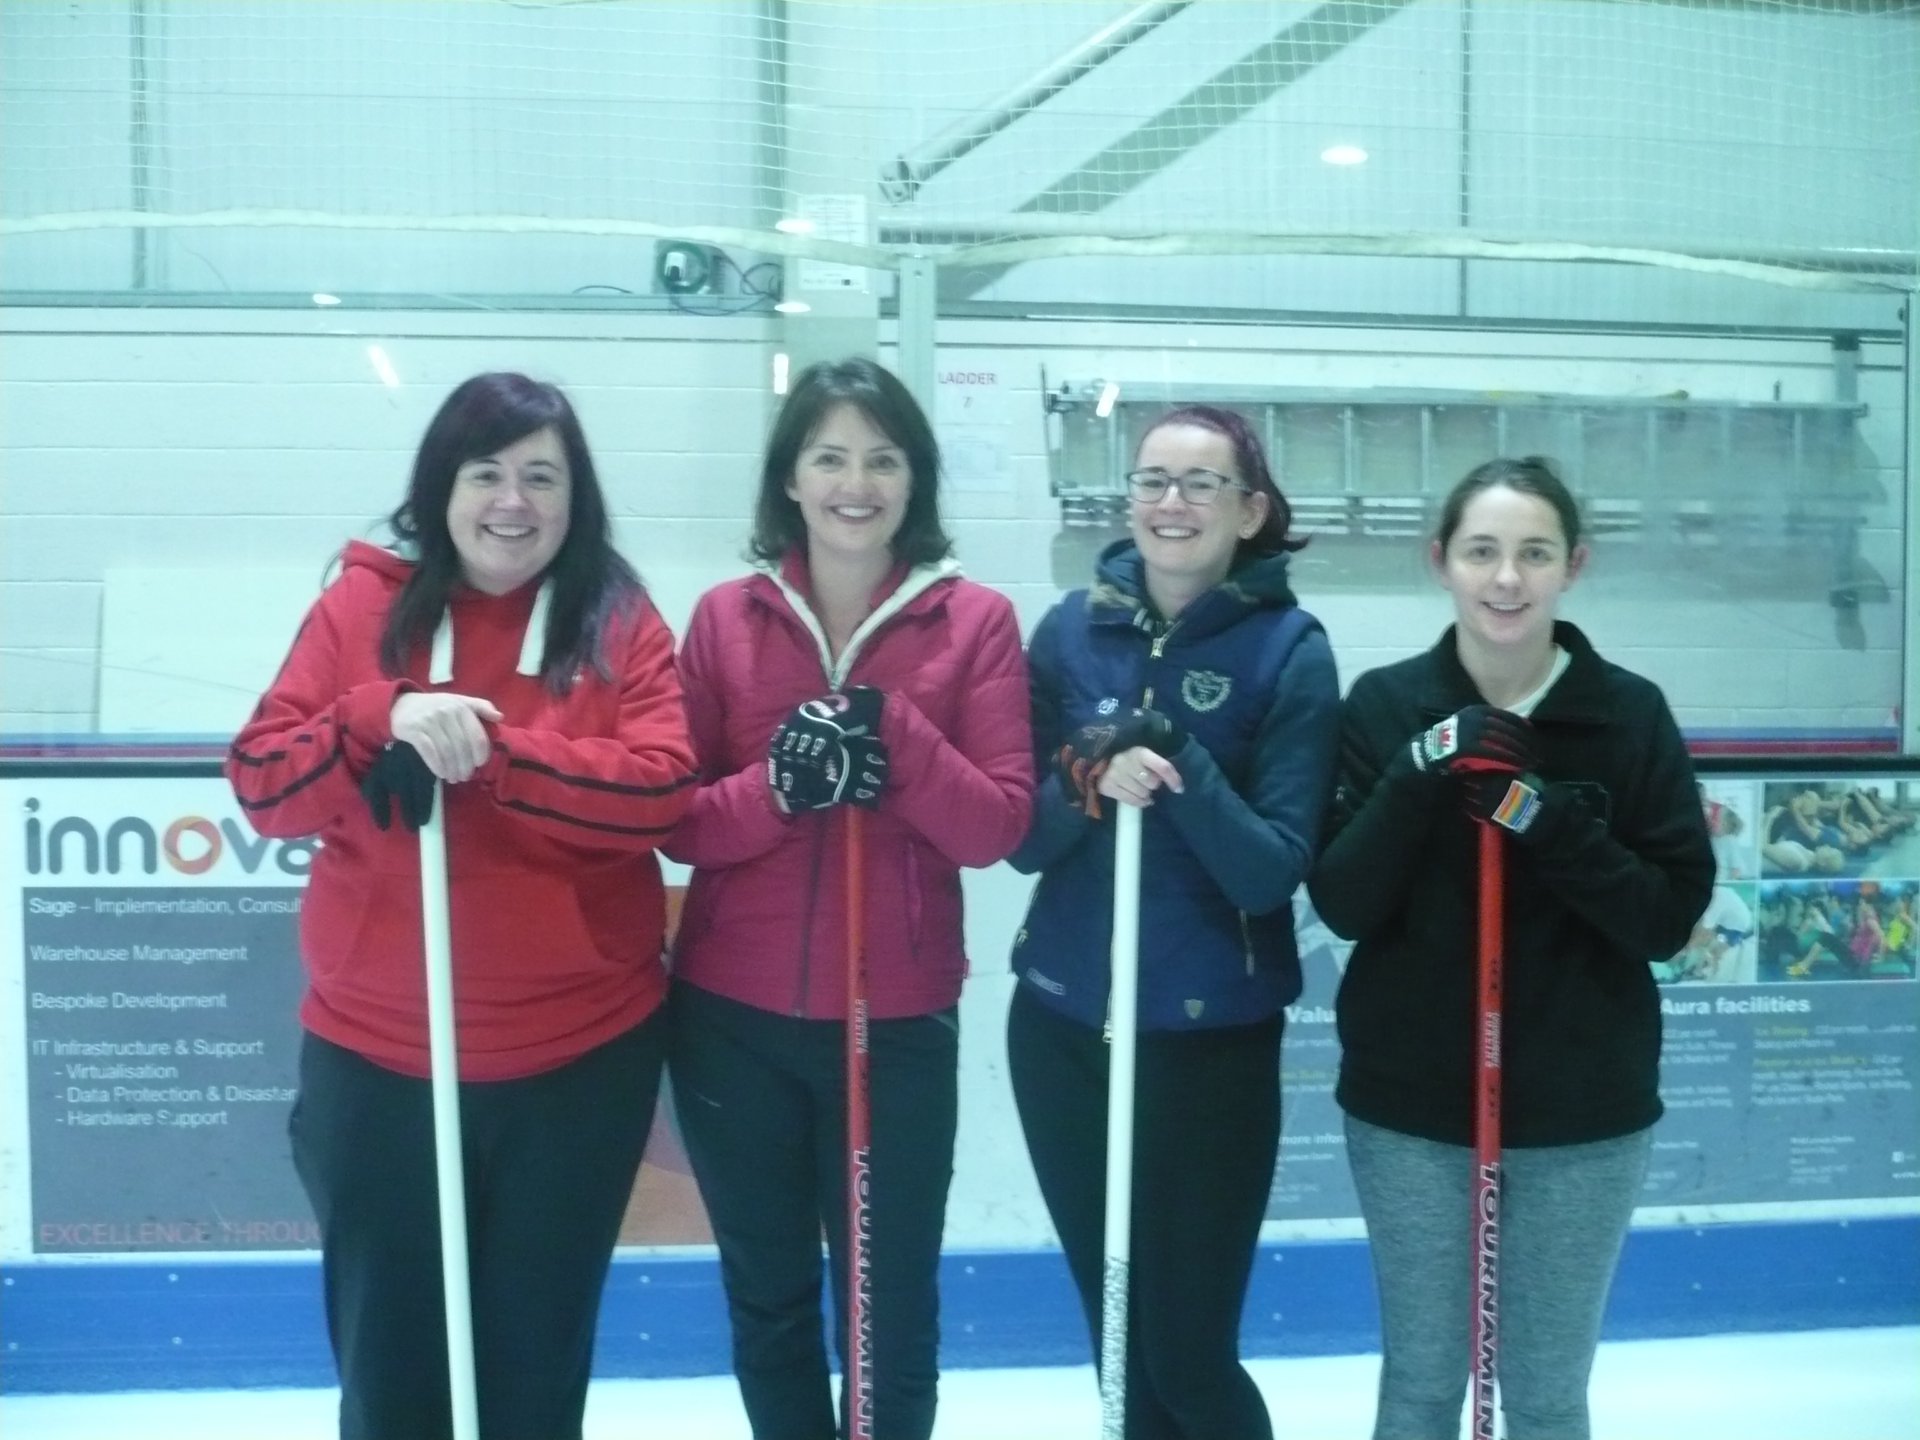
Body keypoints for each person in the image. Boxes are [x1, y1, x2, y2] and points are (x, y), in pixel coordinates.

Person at [227, 373, 697, 1440]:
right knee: (394, 1378)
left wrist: (491, 752)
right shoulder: (362, 606)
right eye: (487, 473)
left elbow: (664, 793)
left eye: (543, 476)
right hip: (381, 1062)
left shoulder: (616, 621)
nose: (513, 502)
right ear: (442, 485)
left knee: (533, 1372)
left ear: (577, 498)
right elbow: (263, 785)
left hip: (576, 1065)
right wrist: (375, 719)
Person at [663, 357, 1033, 1440]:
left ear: (915, 478)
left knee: (889, 1307)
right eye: (829, 456)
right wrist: (779, 785)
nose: (855, 482)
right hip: (733, 1022)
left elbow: (997, 826)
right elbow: (677, 819)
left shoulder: (975, 622)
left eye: (882, 457)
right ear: (789, 478)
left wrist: (896, 736)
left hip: (896, 1023)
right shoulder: (725, 620)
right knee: (769, 1296)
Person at [1309, 454, 1715, 1440]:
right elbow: (1344, 901)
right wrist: (1420, 773)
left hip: (1584, 1110)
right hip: (1414, 1110)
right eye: (1483, 551)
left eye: (1533, 553)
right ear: (1440, 559)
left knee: (1542, 1392)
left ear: (1572, 565)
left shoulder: (1628, 713)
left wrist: (1544, 817)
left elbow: (1665, 916)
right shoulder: (1386, 706)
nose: (1506, 579)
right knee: (1420, 1381)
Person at [1005, 404, 1341, 1439]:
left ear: (1250, 510)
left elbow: (1269, 873)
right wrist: (1089, 780)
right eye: (1153, 480)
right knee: (1120, 1357)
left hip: (1209, 1046)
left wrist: (1185, 767)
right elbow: (1022, 836)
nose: (1171, 502)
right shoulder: (1071, 631)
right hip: (1064, 1031)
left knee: (1187, 1358)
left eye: (1201, 483)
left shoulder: (1290, 649)